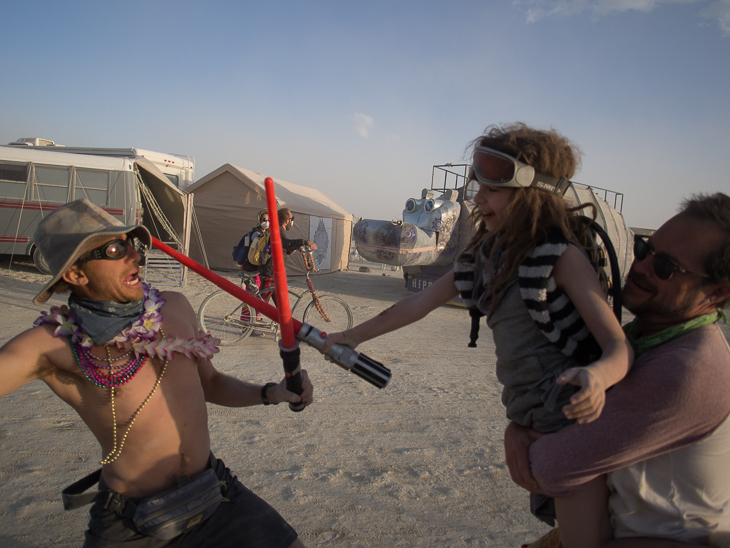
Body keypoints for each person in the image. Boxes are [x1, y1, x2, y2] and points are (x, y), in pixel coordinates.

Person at [323, 122, 633, 523]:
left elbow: (618, 345)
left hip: (571, 424)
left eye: (493, 189)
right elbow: (419, 303)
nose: (479, 199)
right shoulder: (487, 255)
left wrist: (599, 378)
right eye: (476, 187)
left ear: (533, 195)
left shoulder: (561, 256)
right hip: (528, 417)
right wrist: (350, 337)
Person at [0, 199, 313, 547]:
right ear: (75, 273)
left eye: (133, 245)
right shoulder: (52, 345)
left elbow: (210, 383)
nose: (135, 256)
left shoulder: (175, 307)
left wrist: (270, 392)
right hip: (133, 522)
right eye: (116, 249)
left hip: (214, 493)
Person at [505, 193, 730, 548]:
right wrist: (519, 428)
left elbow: (555, 466)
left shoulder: (688, 368)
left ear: (716, 293)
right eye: (644, 250)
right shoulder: (649, 340)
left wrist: (520, 434)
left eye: (665, 267)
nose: (640, 267)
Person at [251, 207, 318, 306]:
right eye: (292, 219)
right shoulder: (277, 230)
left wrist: (290, 250)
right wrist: (304, 241)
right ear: (287, 221)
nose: (292, 222)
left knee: (282, 307)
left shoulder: (276, 230)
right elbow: (285, 242)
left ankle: (282, 321)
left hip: (275, 275)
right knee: (261, 306)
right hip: (270, 274)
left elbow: (279, 247)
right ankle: (248, 319)